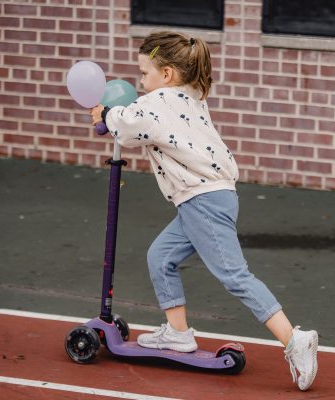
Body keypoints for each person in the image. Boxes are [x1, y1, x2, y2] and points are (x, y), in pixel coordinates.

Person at [90, 31, 318, 391]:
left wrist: (106, 113)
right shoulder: (189, 97)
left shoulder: (158, 101)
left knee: (234, 275)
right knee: (161, 256)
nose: (140, 82)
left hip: (203, 200)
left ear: (166, 74)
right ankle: (178, 333)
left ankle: (295, 340)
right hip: (210, 197)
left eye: (144, 73)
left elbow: (130, 126)